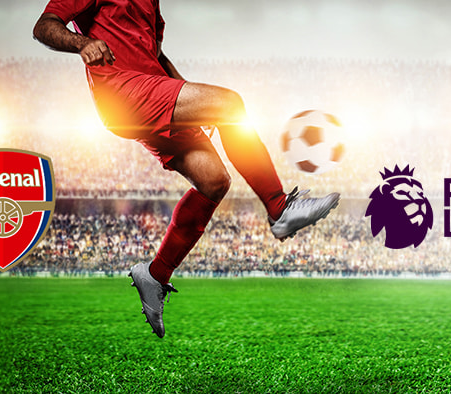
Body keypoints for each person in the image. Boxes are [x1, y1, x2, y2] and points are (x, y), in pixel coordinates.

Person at [33, 0, 339, 338]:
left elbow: (157, 57)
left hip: (151, 91)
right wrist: (83, 43)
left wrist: (194, 105)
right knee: (231, 104)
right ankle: (279, 209)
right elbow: (44, 25)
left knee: (214, 181)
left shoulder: (152, 4)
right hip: (123, 92)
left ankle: (155, 275)